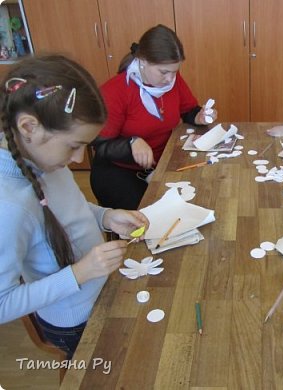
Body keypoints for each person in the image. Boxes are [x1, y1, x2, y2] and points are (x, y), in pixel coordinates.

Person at [0, 55, 149, 359]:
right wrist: (79, 273)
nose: (80, 159)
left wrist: (106, 217)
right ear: (29, 127)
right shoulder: (10, 206)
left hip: (100, 291)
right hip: (75, 321)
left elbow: (71, 210)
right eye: (73, 146)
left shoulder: (43, 158)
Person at [90, 24, 217, 210]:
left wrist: (199, 116)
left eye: (175, 71)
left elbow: (188, 110)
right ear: (142, 60)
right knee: (151, 219)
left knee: (202, 198)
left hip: (163, 161)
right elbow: (100, 145)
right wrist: (131, 143)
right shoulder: (115, 91)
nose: (170, 79)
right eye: (164, 72)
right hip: (121, 171)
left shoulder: (172, 80)